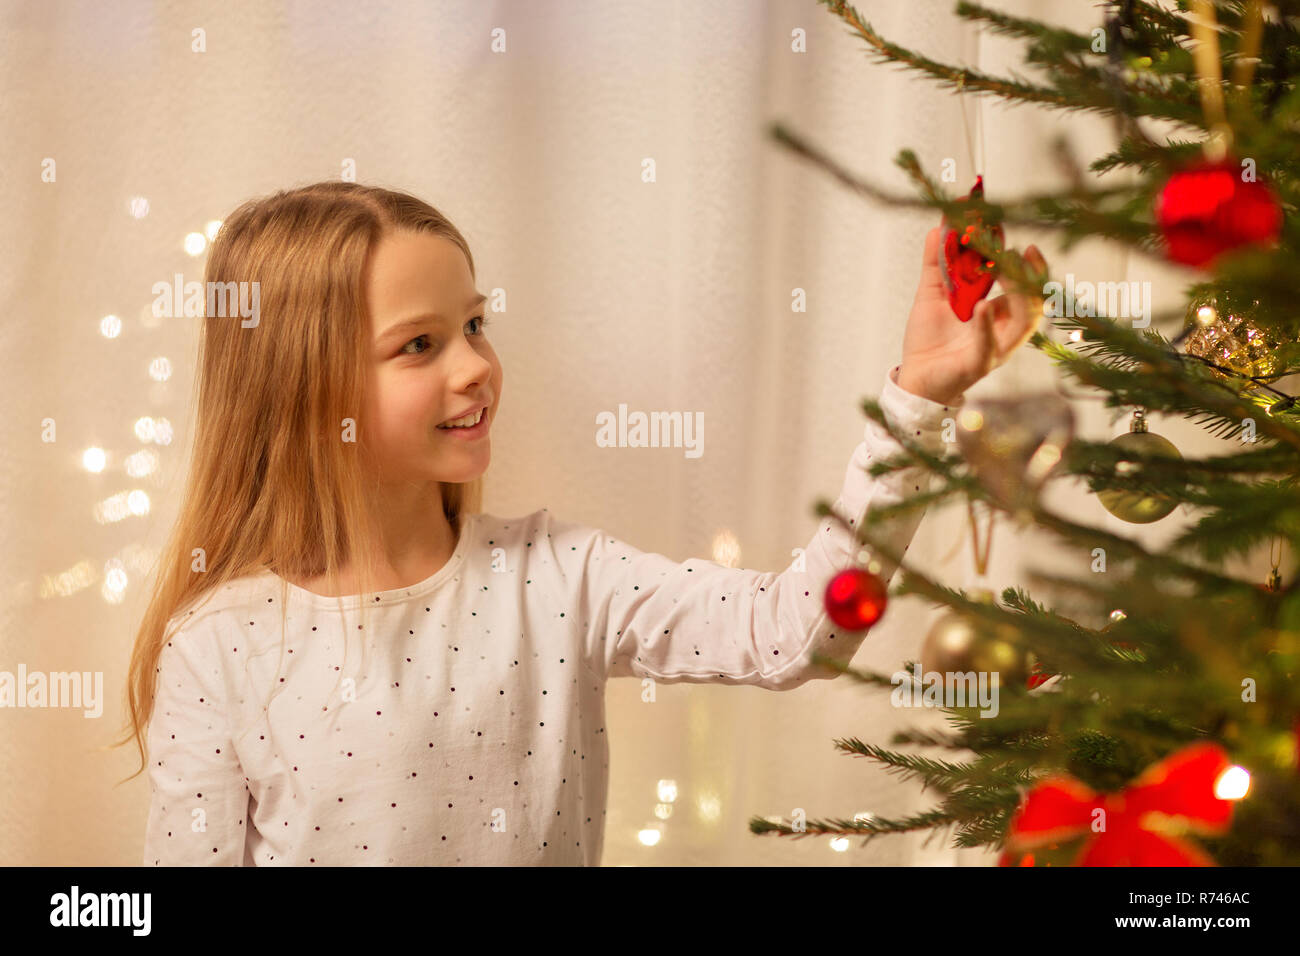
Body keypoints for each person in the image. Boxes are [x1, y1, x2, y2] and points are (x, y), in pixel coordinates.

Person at [120, 182, 1043, 865]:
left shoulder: (557, 578)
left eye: (475, 325)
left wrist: (919, 396)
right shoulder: (219, 646)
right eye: (419, 345)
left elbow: (795, 632)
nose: (477, 365)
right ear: (305, 387)